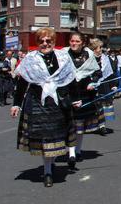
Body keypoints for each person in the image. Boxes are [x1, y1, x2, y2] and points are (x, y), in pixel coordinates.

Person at [10, 28, 77, 187]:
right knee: (45, 139)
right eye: (41, 41)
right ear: (37, 43)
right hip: (37, 104)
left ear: (53, 41)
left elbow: (71, 80)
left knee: (55, 138)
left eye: (48, 40)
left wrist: (75, 99)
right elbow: (22, 84)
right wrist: (16, 104)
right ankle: (47, 172)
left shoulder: (63, 57)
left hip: (58, 104)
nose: (45, 43)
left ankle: (50, 163)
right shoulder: (29, 59)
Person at [65, 32, 102, 164]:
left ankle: (77, 151)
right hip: (68, 92)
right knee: (70, 124)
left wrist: (94, 82)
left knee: (79, 126)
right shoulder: (63, 54)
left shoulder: (89, 54)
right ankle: (71, 153)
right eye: (72, 41)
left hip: (84, 93)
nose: (73, 43)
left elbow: (97, 72)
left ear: (83, 43)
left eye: (77, 41)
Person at [90, 39, 116, 136]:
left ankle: (102, 126)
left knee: (101, 106)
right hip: (91, 85)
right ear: (94, 49)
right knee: (94, 107)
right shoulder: (88, 58)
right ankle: (93, 125)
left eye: (101, 47)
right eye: (99, 47)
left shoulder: (105, 59)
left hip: (103, 85)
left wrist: (113, 85)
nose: (101, 49)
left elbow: (110, 73)